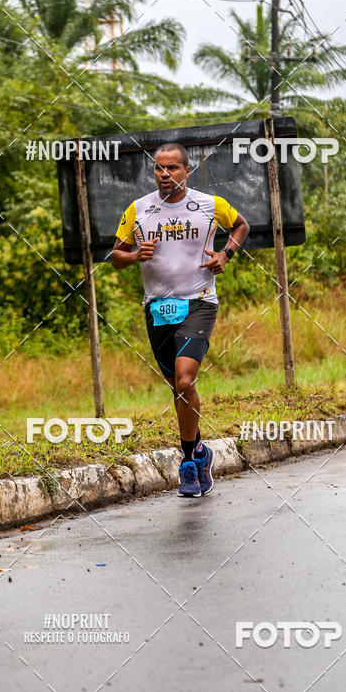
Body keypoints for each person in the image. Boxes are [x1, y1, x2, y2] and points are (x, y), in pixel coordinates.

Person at [111, 142, 250, 497]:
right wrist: (133, 255)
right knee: (177, 387)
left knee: (186, 380)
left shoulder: (208, 205)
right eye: (159, 168)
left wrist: (225, 255)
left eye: (173, 168)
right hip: (157, 306)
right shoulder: (138, 209)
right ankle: (201, 452)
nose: (165, 174)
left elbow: (241, 226)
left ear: (186, 171)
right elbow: (115, 255)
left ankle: (187, 460)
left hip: (199, 301)